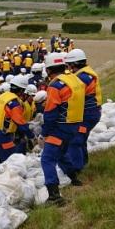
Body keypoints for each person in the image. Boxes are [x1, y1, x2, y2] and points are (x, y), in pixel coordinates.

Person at [41, 52, 85, 205]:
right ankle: (74, 178)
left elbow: (50, 112)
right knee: (61, 153)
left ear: (48, 70)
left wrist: (44, 132)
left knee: (47, 158)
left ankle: (54, 195)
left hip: (60, 127)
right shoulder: (73, 79)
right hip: (74, 125)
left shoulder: (55, 85)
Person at [65, 48, 102, 176]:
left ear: (74, 64)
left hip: (88, 114)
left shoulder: (83, 77)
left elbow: (73, 92)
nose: (69, 68)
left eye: (69, 65)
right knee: (81, 139)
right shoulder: (86, 73)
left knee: (75, 140)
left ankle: (77, 169)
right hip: (90, 112)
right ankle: (83, 163)